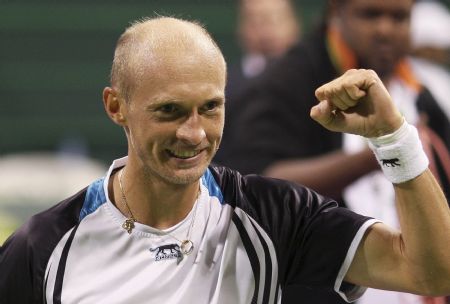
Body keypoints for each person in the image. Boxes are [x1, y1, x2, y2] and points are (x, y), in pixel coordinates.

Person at [0, 16, 449, 304]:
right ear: (116, 107)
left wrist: (394, 140)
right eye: (169, 110)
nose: (194, 133)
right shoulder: (42, 247)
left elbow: (433, 273)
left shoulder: (274, 217)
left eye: (210, 108)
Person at [217, 0, 450, 303]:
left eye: (399, 17)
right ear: (336, 13)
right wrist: (383, 149)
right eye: (370, 15)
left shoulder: (420, 92)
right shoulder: (286, 81)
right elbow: (259, 186)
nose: (385, 29)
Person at [214, 0, 300, 164]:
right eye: (255, 21)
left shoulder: (314, 82)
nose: (266, 31)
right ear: (240, 28)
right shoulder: (223, 84)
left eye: (274, 20)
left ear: (294, 24)